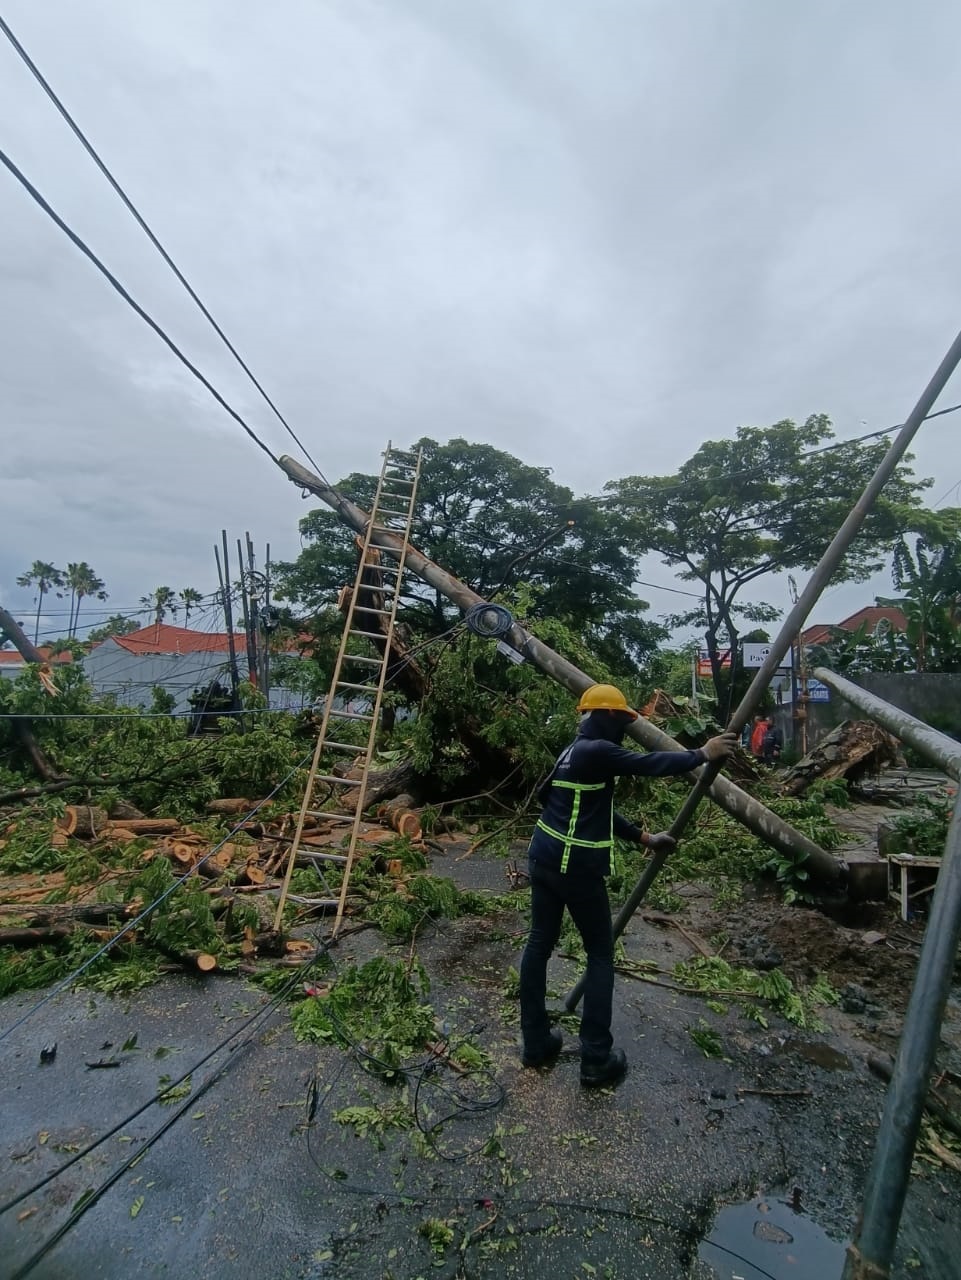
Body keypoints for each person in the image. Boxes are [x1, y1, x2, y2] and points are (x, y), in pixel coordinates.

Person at [519, 683, 737, 1088]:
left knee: (538, 944)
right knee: (600, 956)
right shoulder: (597, 749)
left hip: (543, 860)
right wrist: (701, 754)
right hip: (576, 869)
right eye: (623, 721)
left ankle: (535, 1044)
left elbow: (594, 807)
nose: (624, 729)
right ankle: (596, 1060)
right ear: (607, 717)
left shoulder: (571, 753)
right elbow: (650, 763)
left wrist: (644, 839)